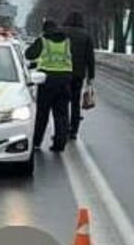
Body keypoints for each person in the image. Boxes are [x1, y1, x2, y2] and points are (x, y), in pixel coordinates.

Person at [25, 19, 76, 152]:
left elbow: (29, 54)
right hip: (65, 80)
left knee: (43, 113)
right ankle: (60, 144)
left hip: (47, 80)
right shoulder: (67, 41)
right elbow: (72, 57)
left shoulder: (43, 40)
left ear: (44, 30)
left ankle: (36, 142)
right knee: (61, 114)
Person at [62, 10, 97, 141]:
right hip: (78, 74)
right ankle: (74, 130)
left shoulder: (62, 33)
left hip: (63, 72)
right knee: (75, 102)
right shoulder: (86, 35)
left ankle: (63, 128)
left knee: (63, 102)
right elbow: (90, 58)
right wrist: (91, 77)